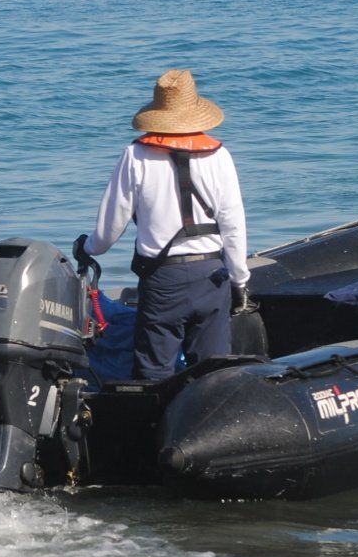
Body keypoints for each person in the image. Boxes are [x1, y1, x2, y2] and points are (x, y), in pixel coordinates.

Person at [75, 69, 250, 381]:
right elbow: (233, 225)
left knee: (154, 374)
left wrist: (88, 247)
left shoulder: (136, 155)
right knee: (213, 373)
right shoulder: (219, 154)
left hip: (163, 281)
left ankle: (155, 427)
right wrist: (239, 280)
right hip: (211, 277)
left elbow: (110, 226)